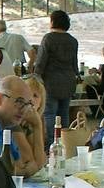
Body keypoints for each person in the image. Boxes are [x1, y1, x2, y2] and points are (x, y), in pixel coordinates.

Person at [34, 9, 79, 145]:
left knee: (49, 115)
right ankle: (64, 143)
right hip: (68, 82)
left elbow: (41, 62)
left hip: (51, 83)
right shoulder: (73, 41)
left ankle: (51, 145)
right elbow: (75, 65)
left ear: (53, 22)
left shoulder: (48, 38)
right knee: (64, 114)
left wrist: (35, 77)